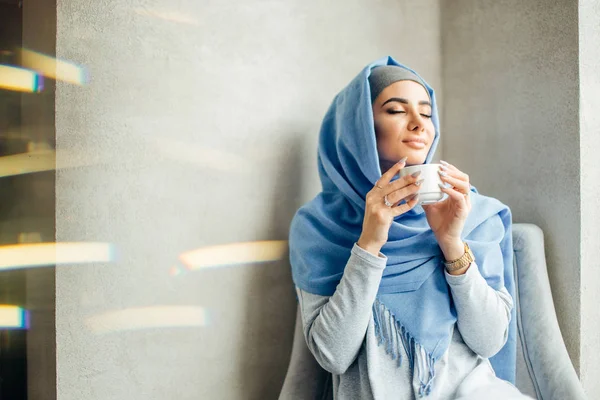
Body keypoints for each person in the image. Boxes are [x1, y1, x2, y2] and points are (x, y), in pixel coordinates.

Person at [288, 56, 533, 399]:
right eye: (396, 110)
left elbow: (489, 341)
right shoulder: (320, 226)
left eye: (427, 113)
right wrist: (370, 242)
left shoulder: (475, 214)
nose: (420, 124)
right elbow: (333, 355)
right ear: (358, 128)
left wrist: (451, 241)